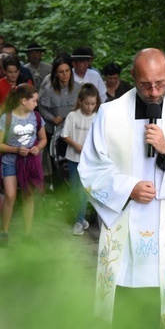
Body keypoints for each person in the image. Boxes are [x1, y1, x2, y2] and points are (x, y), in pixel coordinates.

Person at [79, 48, 165, 328]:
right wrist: (128, 188)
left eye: (159, 83)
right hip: (123, 221)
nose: (153, 92)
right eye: (145, 85)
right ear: (133, 77)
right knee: (124, 310)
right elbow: (90, 167)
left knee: (163, 310)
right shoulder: (109, 113)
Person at [0, 84, 47, 247]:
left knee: (28, 195)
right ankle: (4, 232)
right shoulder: (6, 118)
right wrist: (16, 149)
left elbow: (43, 139)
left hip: (29, 162)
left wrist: (38, 147)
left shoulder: (36, 117)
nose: (36, 104)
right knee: (10, 195)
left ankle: (27, 233)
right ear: (24, 101)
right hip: (10, 161)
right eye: (34, 101)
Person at [61, 83, 100, 236]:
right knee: (74, 190)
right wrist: (75, 145)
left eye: (93, 104)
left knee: (83, 192)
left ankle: (79, 220)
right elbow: (64, 135)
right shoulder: (73, 116)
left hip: (89, 161)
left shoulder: (97, 118)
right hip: (73, 159)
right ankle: (80, 217)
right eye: (87, 103)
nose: (90, 107)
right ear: (80, 101)